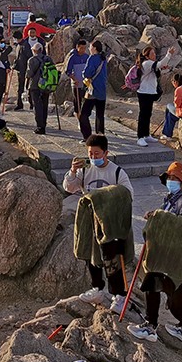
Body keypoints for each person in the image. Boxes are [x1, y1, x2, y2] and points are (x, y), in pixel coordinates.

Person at [128, 162, 182, 344]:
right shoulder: (171, 198)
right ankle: (150, 324)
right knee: (152, 284)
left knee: (177, 291)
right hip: (163, 253)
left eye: (175, 178)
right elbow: (165, 217)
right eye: (169, 177)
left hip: (177, 256)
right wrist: (155, 215)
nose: (171, 181)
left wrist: (160, 216)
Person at [64, 134, 135, 313]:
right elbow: (69, 188)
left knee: (112, 258)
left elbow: (127, 194)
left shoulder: (117, 172)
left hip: (110, 224)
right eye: (90, 153)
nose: (93, 157)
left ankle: (119, 295)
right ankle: (97, 288)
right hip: (89, 219)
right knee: (91, 254)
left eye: (97, 153)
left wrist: (103, 197)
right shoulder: (85, 170)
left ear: (106, 153)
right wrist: (72, 172)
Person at [134, 46, 175, 147]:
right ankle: (140, 137)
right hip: (144, 93)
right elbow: (161, 63)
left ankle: (146, 135)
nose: (154, 55)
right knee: (143, 115)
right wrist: (169, 54)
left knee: (148, 114)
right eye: (152, 54)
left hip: (150, 92)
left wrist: (162, 68)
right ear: (147, 56)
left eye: (154, 53)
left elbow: (158, 69)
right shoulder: (146, 63)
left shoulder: (151, 64)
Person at [79, 40, 108, 140]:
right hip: (102, 90)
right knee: (100, 115)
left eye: (90, 47)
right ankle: (100, 137)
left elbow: (87, 73)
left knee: (84, 115)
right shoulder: (103, 58)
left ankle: (87, 136)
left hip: (92, 90)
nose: (89, 48)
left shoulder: (92, 58)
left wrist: (83, 74)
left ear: (94, 48)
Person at [26, 41, 52, 135]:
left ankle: (40, 127)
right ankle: (44, 123)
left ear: (34, 50)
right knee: (44, 105)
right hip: (46, 86)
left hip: (35, 86)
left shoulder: (32, 60)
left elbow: (29, 74)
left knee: (37, 106)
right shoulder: (48, 59)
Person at [65, 39, 90, 118]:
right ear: (77, 47)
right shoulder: (72, 58)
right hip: (76, 83)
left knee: (85, 100)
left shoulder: (87, 57)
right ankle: (78, 116)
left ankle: (84, 116)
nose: (83, 50)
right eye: (81, 48)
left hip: (85, 83)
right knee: (77, 101)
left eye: (84, 48)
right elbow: (68, 71)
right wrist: (73, 79)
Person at [13, 31, 33, 111]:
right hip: (20, 70)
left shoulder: (25, 45)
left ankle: (31, 103)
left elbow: (29, 57)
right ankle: (19, 104)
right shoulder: (18, 45)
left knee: (29, 87)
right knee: (20, 88)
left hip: (26, 70)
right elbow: (17, 58)